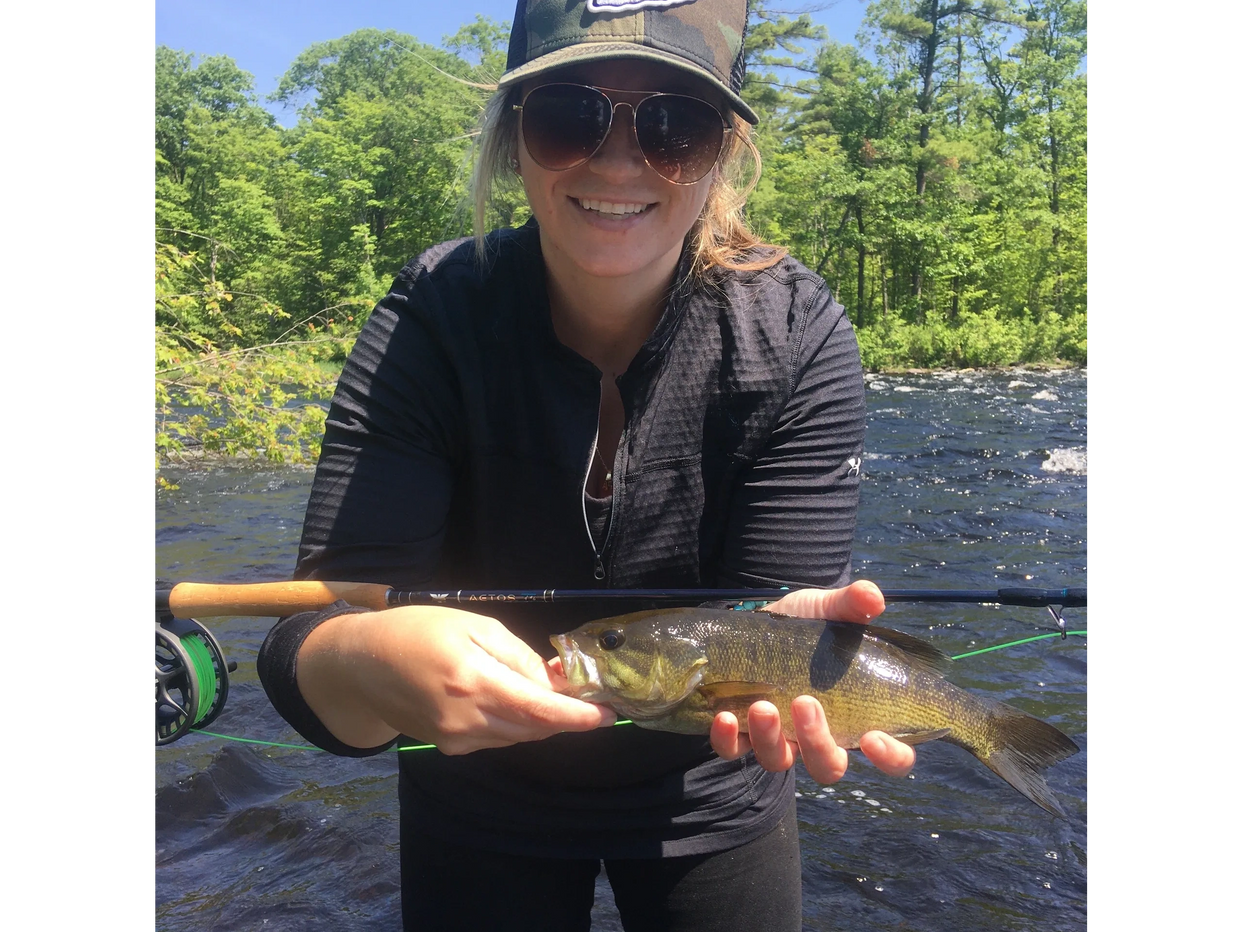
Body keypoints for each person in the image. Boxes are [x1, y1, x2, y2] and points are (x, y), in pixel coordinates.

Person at [258, 2, 916, 929]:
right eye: (567, 114)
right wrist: (372, 655)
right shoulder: (432, 316)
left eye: (673, 126)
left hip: (712, 788)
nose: (617, 163)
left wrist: (802, 632)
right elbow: (304, 654)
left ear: (723, 150)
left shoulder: (797, 329)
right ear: (510, 138)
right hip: (471, 789)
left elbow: (774, 617)